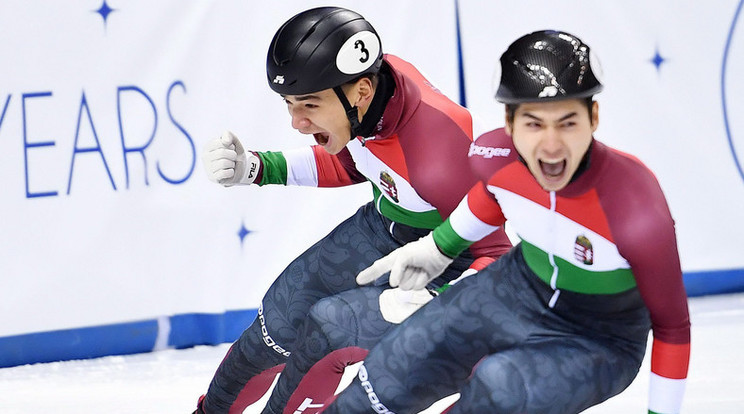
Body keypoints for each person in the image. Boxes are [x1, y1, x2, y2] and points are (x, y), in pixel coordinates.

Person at [322, 30, 691, 414]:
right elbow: (493, 195)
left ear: (594, 118)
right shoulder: (494, 154)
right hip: (515, 287)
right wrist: (437, 247)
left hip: (599, 336)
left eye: (568, 123)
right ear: (510, 124)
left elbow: (673, 328)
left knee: (501, 387)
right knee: (395, 365)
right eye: (534, 124)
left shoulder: (637, 209)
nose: (551, 146)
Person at [196, 6, 512, 414]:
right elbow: (357, 161)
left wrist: (443, 303)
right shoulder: (370, 94)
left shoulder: (440, 155)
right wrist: (258, 167)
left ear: (361, 92)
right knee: (271, 330)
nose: (296, 122)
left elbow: (496, 255)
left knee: (326, 333)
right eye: (289, 103)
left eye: (308, 104)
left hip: (453, 263)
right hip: (386, 226)